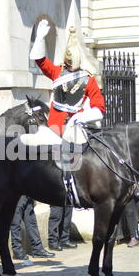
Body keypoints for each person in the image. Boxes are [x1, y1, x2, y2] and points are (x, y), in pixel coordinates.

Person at [22, 19, 105, 206]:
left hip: (76, 129)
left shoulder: (88, 80)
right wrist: (40, 38)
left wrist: (79, 116)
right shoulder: (58, 72)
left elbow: (99, 108)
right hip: (53, 128)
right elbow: (40, 60)